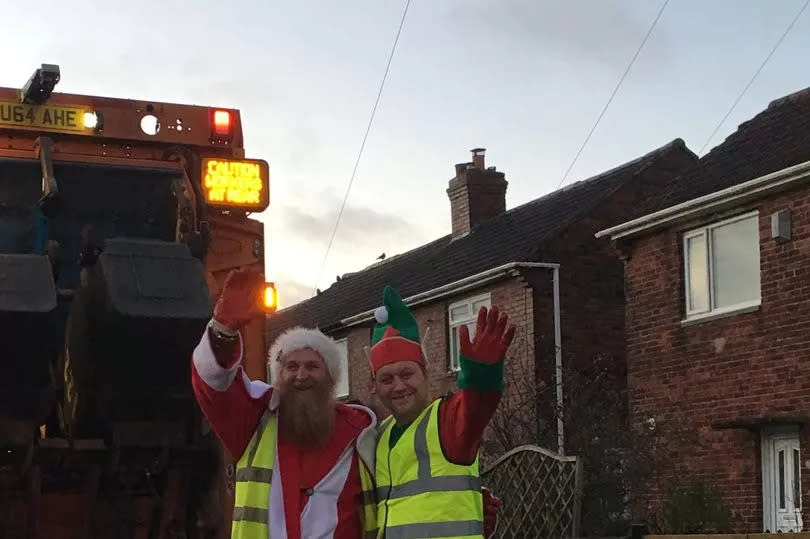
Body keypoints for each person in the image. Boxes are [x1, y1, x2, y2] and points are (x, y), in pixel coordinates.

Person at [191, 269, 378, 539]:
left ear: (332, 376)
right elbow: (214, 385)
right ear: (279, 376)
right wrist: (223, 330)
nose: (301, 376)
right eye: (292, 366)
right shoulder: (255, 419)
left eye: (313, 366)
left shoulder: (361, 433)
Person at [369, 285, 515, 538]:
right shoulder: (379, 436)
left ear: (425, 374)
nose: (398, 386)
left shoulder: (446, 418)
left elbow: (476, 406)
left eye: (407, 374)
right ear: (375, 387)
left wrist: (482, 375)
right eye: (386, 379)